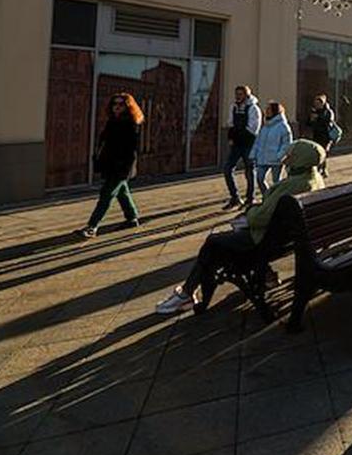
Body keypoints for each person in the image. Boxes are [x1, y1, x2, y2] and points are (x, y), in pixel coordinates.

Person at [155, 138, 326, 314]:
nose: (287, 158)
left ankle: (186, 294)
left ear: (299, 159)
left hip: (263, 242)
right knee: (226, 239)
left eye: (291, 155)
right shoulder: (315, 180)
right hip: (286, 241)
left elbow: (260, 218)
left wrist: (249, 212)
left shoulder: (292, 186)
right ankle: (266, 275)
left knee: (213, 243)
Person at [80, 93, 144, 238]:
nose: (117, 107)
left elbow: (132, 150)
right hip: (110, 164)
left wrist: (125, 168)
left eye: (121, 104)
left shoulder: (131, 124)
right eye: (114, 104)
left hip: (121, 167)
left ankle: (92, 226)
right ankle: (132, 218)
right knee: (122, 193)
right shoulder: (112, 121)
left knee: (106, 195)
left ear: (128, 107)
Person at [223, 85, 262, 209]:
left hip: (248, 144)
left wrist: (238, 133)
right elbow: (230, 123)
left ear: (246, 95)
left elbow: (253, 128)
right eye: (237, 94)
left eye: (240, 94)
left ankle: (250, 198)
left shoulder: (253, 108)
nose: (238, 96)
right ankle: (235, 197)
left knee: (250, 171)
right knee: (227, 169)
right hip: (236, 144)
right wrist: (231, 137)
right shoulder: (233, 107)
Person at [249, 101, 293, 197]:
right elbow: (258, 141)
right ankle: (267, 197)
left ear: (275, 111)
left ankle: (277, 199)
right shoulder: (265, 126)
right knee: (260, 178)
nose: (266, 111)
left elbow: (287, 144)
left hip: (276, 159)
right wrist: (253, 154)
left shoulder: (283, 126)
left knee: (276, 182)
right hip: (262, 157)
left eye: (269, 109)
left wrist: (279, 156)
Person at [307, 94, 337, 177]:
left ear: (322, 103)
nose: (316, 105)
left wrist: (318, 118)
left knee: (323, 153)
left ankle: (322, 169)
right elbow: (308, 123)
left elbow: (328, 123)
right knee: (317, 153)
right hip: (316, 135)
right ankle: (319, 169)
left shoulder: (328, 112)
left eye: (318, 103)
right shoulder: (313, 111)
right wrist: (311, 119)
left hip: (326, 136)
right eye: (315, 103)